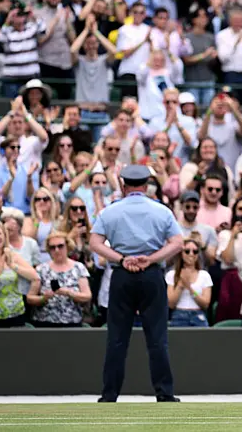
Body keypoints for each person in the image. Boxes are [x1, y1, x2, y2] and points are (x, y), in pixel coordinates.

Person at [89, 164, 184, 403]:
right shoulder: (160, 211)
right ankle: (164, 393)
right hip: (151, 274)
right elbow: (177, 243)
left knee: (117, 338)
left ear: (123, 184)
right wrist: (151, 258)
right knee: (157, 338)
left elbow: (95, 243)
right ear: (146, 185)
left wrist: (121, 258)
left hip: (122, 274)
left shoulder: (111, 211)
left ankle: (109, 394)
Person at [26, 231, 92, 327]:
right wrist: (44, 298)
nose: (57, 250)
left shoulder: (78, 267)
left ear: (67, 246)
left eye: (60, 246)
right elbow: (30, 298)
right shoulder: (41, 269)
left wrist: (69, 293)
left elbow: (87, 296)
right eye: (52, 247)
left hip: (72, 322)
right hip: (45, 322)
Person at [167, 238, 212, 328]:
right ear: (181, 253)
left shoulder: (204, 275)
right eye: (187, 251)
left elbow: (205, 304)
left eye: (195, 251)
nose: (191, 254)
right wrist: (181, 285)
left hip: (198, 314)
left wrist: (190, 289)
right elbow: (171, 304)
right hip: (179, 314)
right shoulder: (172, 274)